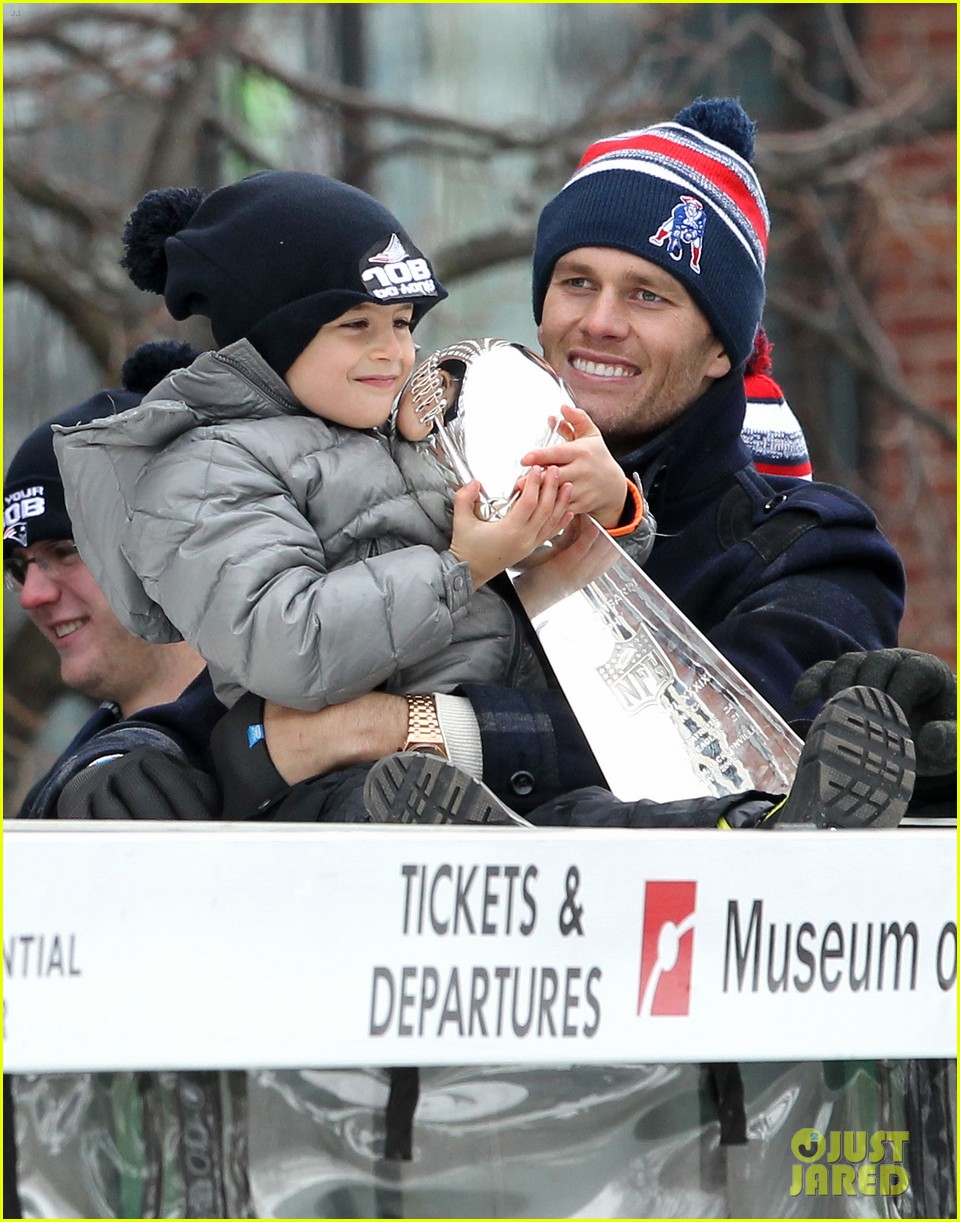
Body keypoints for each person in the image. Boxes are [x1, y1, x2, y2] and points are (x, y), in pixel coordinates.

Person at [218, 97, 907, 822]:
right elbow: (259, 647)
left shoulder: (811, 549)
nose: (600, 323)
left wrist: (402, 727)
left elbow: (731, 739)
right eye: (577, 282)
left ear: (719, 353)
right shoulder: (439, 474)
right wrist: (145, 745)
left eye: (648, 295)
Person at [54, 171, 653, 822]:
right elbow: (287, 641)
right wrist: (461, 568)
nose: (392, 352)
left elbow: (565, 586)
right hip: (335, 793)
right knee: (590, 826)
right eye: (355, 324)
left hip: (495, 747)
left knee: (627, 824)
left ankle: (741, 820)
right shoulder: (203, 473)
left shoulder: (411, 431)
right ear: (272, 333)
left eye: (401, 323)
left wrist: (602, 508)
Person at [3, 343, 241, 1219]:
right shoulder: (83, 769)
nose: (33, 593)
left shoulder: (320, 722)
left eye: (63, 551)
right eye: (18, 563)